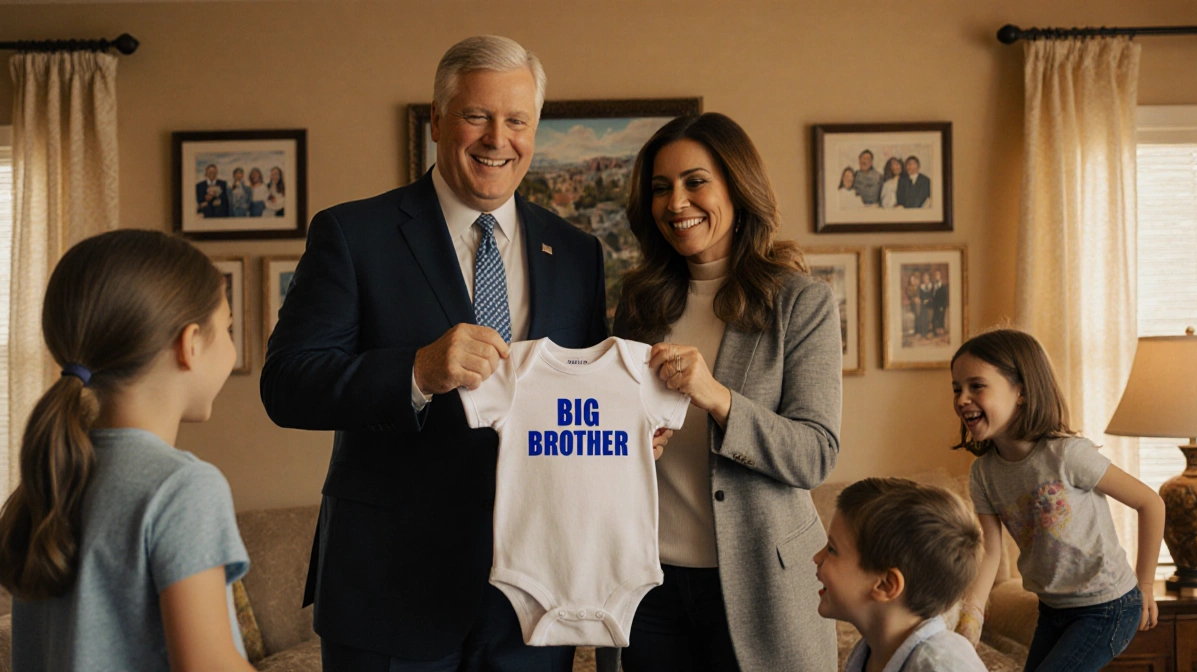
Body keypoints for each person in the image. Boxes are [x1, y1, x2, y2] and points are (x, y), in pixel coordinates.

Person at [260, 36, 634, 672]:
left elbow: (579, 396)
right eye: (476, 116)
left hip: (533, 596)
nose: (497, 139)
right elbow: (286, 384)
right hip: (388, 592)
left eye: (517, 121)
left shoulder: (577, 252)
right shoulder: (353, 233)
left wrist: (627, 427)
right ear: (436, 119)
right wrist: (415, 371)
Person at [613, 112, 842, 671]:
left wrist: (717, 397)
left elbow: (815, 454)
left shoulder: (801, 303)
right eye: (661, 188)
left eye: (695, 182)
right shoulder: (638, 306)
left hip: (764, 584)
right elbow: (615, 439)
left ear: (738, 188)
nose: (676, 203)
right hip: (648, 586)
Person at [0, 229, 252, 671]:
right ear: (191, 343)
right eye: (228, 328)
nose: (231, 347)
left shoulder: (47, 481)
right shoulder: (183, 488)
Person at [950, 329, 1165, 671]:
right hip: (1052, 610)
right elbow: (991, 551)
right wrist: (971, 616)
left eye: (976, 386)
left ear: (1021, 391)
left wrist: (1147, 585)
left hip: (1108, 607)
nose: (963, 398)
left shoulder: (1067, 455)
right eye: (957, 388)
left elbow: (1151, 503)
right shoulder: (983, 474)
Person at [813, 478, 987, 672]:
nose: (817, 557)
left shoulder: (941, 666)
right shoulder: (872, 650)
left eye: (832, 549)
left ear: (886, 585)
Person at [931, 269, 949, 336]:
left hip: (941, 305)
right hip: (935, 305)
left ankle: (941, 332)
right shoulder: (933, 285)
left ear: (940, 276)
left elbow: (944, 297)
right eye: (935, 275)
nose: (936, 276)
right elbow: (932, 295)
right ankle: (936, 332)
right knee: (935, 318)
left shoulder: (943, 286)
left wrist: (942, 305)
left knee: (941, 318)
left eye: (938, 275)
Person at [903, 272, 921, 336]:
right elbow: (910, 297)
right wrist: (915, 299)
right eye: (911, 280)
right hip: (912, 304)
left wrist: (918, 299)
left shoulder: (918, 287)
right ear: (910, 281)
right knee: (917, 314)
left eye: (914, 279)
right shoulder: (909, 288)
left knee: (920, 313)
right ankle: (917, 331)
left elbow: (920, 295)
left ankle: (920, 330)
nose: (913, 281)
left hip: (918, 303)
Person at [918, 271, 934, 338]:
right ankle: (923, 332)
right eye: (924, 277)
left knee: (929, 315)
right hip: (923, 304)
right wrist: (923, 301)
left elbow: (933, 296)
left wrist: (928, 300)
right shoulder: (921, 286)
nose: (925, 279)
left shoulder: (931, 286)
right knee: (923, 314)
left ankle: (930, 332)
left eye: (927, 277)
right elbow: (920, 296)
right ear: (922, 278)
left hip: (931, 304)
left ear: (929, 278)